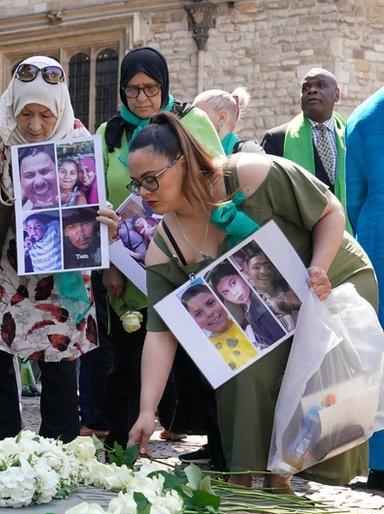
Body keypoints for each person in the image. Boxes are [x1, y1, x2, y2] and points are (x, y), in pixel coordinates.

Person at [128, 112, 375, 491]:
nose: (143, 193)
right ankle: (243, 480)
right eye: (137, 183)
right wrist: (147, 411)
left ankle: (281, 476)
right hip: (266, 312)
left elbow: (330, 211)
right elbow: (161, 335)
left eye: (151, 179)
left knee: (307, 374)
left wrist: (319, 270)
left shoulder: (252, 173)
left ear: (184, 162)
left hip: (331, 281)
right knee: (241, 363)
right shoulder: (163, 250)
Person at [0, 54, 118, 441]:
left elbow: (87, 200)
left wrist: (102, 221)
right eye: (27, 115)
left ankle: (56, 453)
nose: (36, 125)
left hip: (56, 272)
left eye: (45, 115)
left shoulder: (74, 137)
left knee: (60, 363)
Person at [95, 46, 224, 460]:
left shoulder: (191, 121)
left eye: (150, 88)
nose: (142, 99)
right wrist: (109, 265)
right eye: (131, 90)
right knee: (131, 353)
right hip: (129, 264)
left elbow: (213, 176)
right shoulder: (108, 134)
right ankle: (126, 440)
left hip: (190, 251)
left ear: (164, 86)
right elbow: (99, 201)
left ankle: (216, 443)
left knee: (202, 346)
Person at [344, 85, 384, 489]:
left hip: (377, 234)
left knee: (379, 347)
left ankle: (379, 459)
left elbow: (352, 198)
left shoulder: (364, 115)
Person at [261, 69, 346, 206]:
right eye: (306, 87)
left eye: (321, 85)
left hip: (349, 225)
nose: (312, 90)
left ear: (337, 94)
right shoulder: (276, 139)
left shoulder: (351, 135)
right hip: (298, 225)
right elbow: (265, 195)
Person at [208, 261, 285, 349]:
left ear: (241, 276)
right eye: (226, 292)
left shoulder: (260, 309)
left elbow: (281, 339)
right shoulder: (249, 308)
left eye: (233, 283)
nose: (234, 293)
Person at [179, 283, 258, 370]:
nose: (209, 313)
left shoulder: (253, 322)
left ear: (221, 300)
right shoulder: (207, 354)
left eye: (211, 303)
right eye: (198, 313)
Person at [192, 87, 263, 156]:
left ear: (222, 117)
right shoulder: (197, 154)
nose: (193, 123)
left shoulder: (249, 152)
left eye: (200, 116)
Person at [18, 145, 60, 209]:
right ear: (20, 181)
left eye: (45, 171)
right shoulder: (18, 209)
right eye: (29, 175)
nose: (39, 182)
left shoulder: (75, 200)